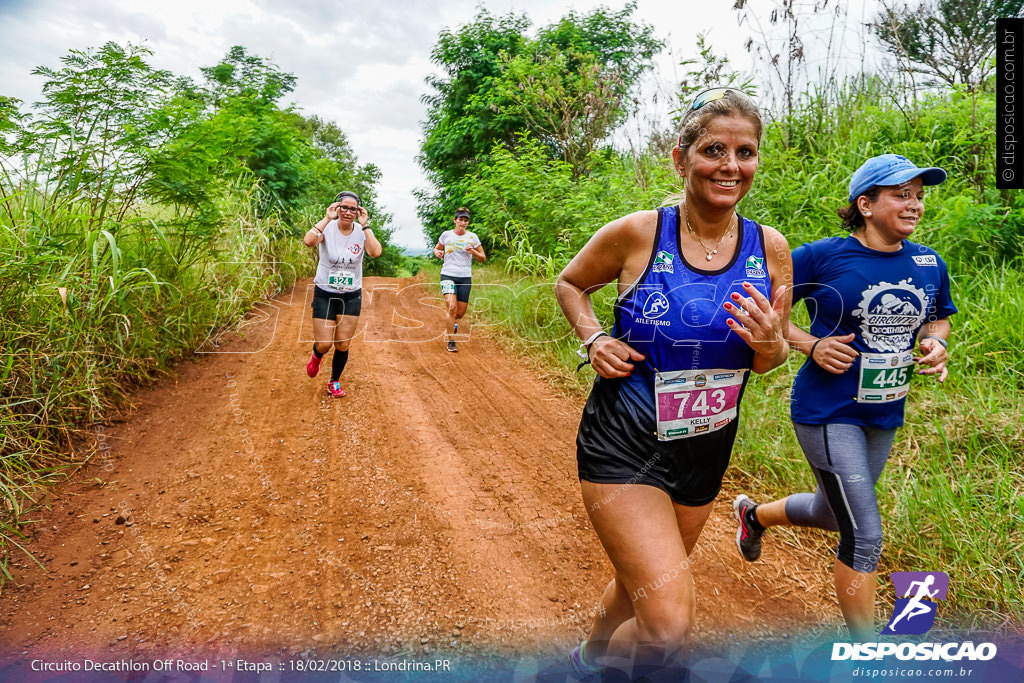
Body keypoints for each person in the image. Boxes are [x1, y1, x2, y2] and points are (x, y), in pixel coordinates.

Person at [554, 87, 792, 678]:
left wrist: (770, 344)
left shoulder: (770, 248)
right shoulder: (637, 233)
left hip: (705, 446)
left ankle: (589, 656)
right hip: (623, 443)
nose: (731, 166)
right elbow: (570, 284)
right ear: (681, 156)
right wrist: (594, 339)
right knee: (667, 623)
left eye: (746, 152)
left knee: (646, 583)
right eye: (714, 149)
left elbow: (769, 359)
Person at [731, 154, 955, 641]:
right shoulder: (821, 257)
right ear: (866, 204)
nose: (914, 204)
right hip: (827, 411)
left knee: (831, 513)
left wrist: (936, 342)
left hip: (884, 410)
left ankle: (753, 515)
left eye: (918, 195)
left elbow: (939, 317)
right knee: (864, 533)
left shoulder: (928, 262)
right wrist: (812, 343)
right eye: (901, 194)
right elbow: (765, 312)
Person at [302, 191, 382, 397]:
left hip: (350, 294)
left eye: (352, 209)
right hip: (325, 293)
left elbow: (375, 252)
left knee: (343, 343)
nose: (347, 212)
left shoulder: (361, 231)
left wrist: (365, 226)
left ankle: (334, 381)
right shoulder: (327, 228)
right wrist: (327, 218)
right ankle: (316, 355)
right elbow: (308, 241)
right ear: (337, 208)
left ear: (358, 212)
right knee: (324, 344)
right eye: (343, 208)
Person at [433, 207, 485, 352]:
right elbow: (437, 248)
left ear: (468, 222)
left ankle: (453, 323)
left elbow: (483, 258)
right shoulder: (446, 235)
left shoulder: (472, 237)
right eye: (460, 220)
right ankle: (451, 341)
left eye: (465, 220)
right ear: (455, 220)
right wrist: (438, 252)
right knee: (452, 307)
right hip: (448, 274)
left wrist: (473, 251)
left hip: (465, 276)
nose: (463, 223)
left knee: (460, 313)